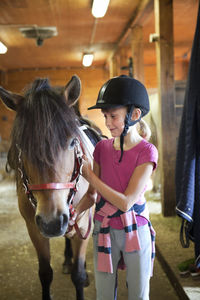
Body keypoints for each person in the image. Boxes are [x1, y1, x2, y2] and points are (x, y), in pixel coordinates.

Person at [71, 75, 158, 300]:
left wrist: (90, 176)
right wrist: (75, 213)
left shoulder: (147, 152)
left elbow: (126, 201)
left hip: (135, 230)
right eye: (105, 116)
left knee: (138, 295)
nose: (108, 123)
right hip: (103, 228)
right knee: (104, 295)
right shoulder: (101, 148)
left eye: (113, 116)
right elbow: (91, 196)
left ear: (135, 114)